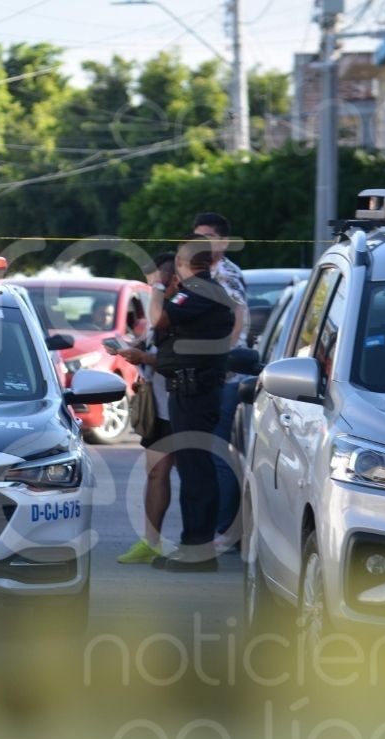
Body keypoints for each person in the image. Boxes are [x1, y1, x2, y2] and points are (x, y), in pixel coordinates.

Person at [150, 236, 234, 572]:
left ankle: (198, 550)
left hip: (195, 393)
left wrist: (158, 287)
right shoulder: (199, 291)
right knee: (191, 469)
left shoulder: (199, 291)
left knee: (196, 471)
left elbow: (159, 321)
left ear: (184, 263)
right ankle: (191, 544)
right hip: (189, 390)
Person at [191, 212, 249, 548]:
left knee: (219, 454)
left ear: (223, 242)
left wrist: (215, 359)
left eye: (207, 236)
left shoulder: (226, 276)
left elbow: (236, 322)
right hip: (210, 375)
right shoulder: (203, 275)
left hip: (225, 376)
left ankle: (228, 532)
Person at [115, 252, 177, 564]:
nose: (152, 286)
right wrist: (136, 351)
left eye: (157, 281)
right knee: (155, 473)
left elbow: (182, 358)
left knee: (194, 478)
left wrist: (145, 359)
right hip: (159, 407)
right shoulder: (157, 311)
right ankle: (150, 542)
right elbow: (155, 344)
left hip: (184, 405)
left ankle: (199, 542)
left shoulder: (181, 310)